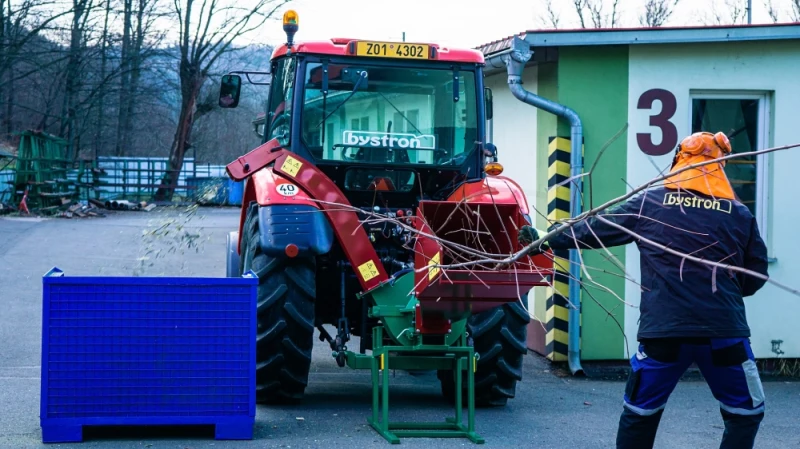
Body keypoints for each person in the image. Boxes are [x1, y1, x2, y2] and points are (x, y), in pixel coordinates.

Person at [519, 131, 770, 449]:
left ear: (679, 161)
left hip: (664, 333)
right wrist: (726, 294)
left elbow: (596, 229)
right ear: (721, 165)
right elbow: (756, 274)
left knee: (640, 413)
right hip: (724, 333)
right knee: (745, 413)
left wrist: (545, 238)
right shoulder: (739, 214)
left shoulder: (651, 202)